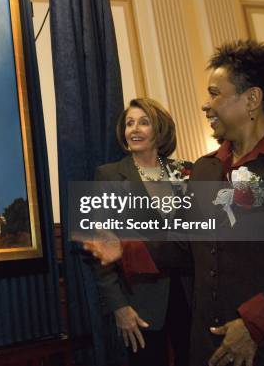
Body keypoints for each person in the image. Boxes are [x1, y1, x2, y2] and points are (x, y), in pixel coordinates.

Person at [84, 40, 264, 366]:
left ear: (252, 99)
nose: (206, 106)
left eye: (215, 94)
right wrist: (125, 249)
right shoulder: (207, 168)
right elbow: (185, 241)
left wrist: (254, 326)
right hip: (207, 345)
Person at [93, 98, 191, 366]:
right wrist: (119, 307)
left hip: (190, 294)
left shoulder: (185, 172)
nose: (134, 129)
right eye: (129, 123)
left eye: (143, 122)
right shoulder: (109, 176)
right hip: (140, 302)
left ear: (160, 130)